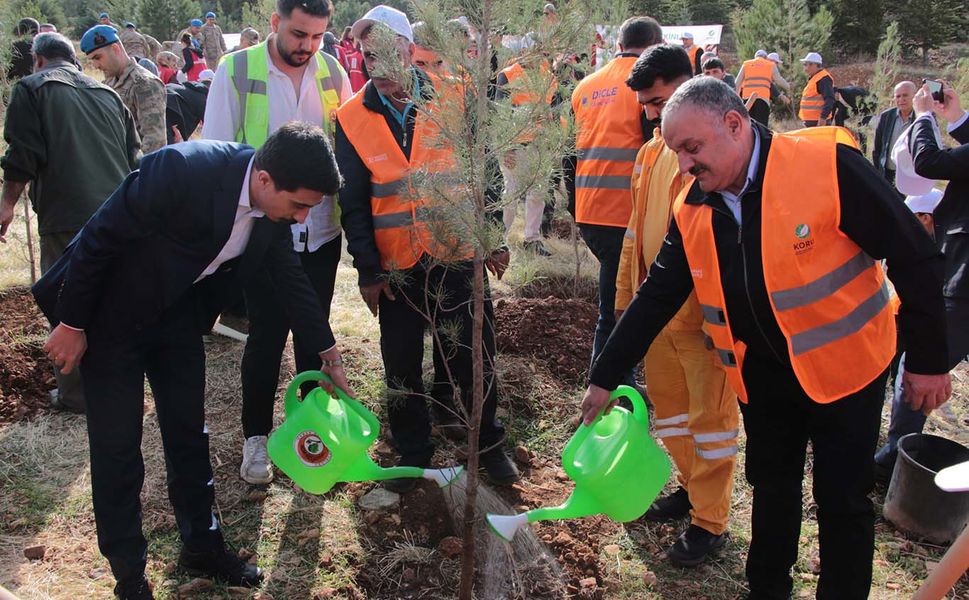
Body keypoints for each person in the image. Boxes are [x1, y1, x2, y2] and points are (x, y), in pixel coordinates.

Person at [580, 76, 951, 598]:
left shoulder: (825, 167)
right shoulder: (694, 207)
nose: (683, 166)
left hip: (849, 370)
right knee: (772, 490)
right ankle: (767, 589)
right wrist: (604, 375)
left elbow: (913, 255)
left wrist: (929, 361)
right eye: (676, 152)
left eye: (692, 148)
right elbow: (657, 295)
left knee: (842, 500)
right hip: (764, 376)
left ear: (734, 125)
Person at [31, 122, 347, 600]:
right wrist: (72, 323)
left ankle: (202, 545)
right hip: (110, 318)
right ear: (264, 180)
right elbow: (100, 236)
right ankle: (129, 576)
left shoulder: (272, 216)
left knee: (189, 435)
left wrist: (328, 352)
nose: (303, 218)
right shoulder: (182, 169)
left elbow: (291, 280)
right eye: (300, 205)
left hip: (176, 316)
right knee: (118, 448)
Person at [336, 5, 519, 492]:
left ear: (408, 49)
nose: (377, 65)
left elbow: (487, 171)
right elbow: (352, 202)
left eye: (386, 53)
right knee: (399, 360)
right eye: (368, 55)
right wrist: (368, 270)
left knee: (473, 352)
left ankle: (487, 443)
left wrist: (493, 237)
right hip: (396, 262)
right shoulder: (350, 117)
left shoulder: (457, 96)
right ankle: (413, 450)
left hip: (457, 251)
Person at [203, 0, 351, 485]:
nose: (307, 47)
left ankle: (312, 436)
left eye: (317, 37)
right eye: (298, 34)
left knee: (314, 330)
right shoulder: (237, 70)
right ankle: (257, 438)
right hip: (264, 228)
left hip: (320, 231)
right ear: (276, 23)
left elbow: (345, 147)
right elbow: (218, 152)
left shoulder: (331, 72)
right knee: (266, 335)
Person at [619, 45, 740, 567]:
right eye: (647, 106)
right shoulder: (650, 154)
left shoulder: (709, 156)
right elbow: (634, 232)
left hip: (702, 319)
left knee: (711, 424)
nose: (652, 114)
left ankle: (710, 522)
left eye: (658, 101)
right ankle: (691, 489)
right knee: (671, 414)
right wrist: (625, 301)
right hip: (658, 317)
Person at [0, 32, 140, 414]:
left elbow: (23, 154)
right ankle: (120, 384)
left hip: (67, 216)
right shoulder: (108, 94)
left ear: (38, 61)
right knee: (113, 301)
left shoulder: (32, 88)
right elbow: (134, 159)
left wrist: (7, 204)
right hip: (117, 214)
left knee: (67, 305)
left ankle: (76, 395)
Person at [566, 17, 662, 386]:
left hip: (591, 210)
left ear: (619, 44)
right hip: (627, 213)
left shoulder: (585, 87)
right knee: (618, 307)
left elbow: (566, 156)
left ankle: (618, 381)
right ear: (655, 45)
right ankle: (608, 386)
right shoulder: (646, 83)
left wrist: (576, 207)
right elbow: (656, 149)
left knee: (619, 301)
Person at [873, 188, 945, 484]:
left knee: (901, 383)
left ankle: (893, 450)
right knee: (892, 379)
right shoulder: (919, 244)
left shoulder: (937, 248)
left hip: (908, 322)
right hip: (896, 318)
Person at [495, 39, 557, 257]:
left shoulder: (548, 76)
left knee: (538, 193)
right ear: (523, 50)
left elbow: (553, 109)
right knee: (510, 195)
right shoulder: (508, 75)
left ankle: (532, 238)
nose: (539, 56)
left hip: (541, 145)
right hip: (515, 146)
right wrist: (507, 147)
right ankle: (499, 240)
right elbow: (500, 114)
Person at [82, 24, 167, 154]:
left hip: (134, 164)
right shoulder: (110, 81)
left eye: (97, 57)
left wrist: (135, 166)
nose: (95, 65)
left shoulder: (144, 83)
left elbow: (155, 141)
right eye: (91, 60)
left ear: (115, 49)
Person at [872, 81, 916, 184]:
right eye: (898, 96)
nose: (901, 99)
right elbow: (877, 147)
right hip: (886, 173)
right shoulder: (886, 117)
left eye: (905, 95)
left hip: (910, 175)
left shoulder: (921, 118)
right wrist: (877, 173)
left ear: (914, 96)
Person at [735, 49, 789, 127]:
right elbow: (778, 80)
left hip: (747, 99)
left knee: (748, 125)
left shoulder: (746, 64)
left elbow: (737, 83)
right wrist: (788, 86)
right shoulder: (770, 65)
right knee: (761, 125)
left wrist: (737, 99)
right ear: (765, 57)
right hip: (763, 99)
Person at [166, 73, 212, 143]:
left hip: (158, 104)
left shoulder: (187, 89)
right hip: (170, 114)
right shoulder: (202, 99)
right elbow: (210, 127)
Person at [798, 52, 835, 127]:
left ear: (814, 65)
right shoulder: (815, 78)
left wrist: (823, 118)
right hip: (812, 121)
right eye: (804, 64)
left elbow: (830, 99)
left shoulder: (823, 79)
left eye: (806, 64)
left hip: (818, 122)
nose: (805, 68)